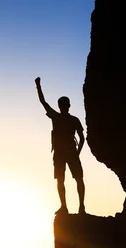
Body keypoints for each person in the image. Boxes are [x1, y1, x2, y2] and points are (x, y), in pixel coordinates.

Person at [35, 77, 86, 215]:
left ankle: (76, 207)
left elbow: (43, 102)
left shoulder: (61, 118)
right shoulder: (66, 118)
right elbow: (82, 139)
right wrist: (77, 152)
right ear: (67, 105)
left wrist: (38, 86)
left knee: (71, 179)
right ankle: (70, 207)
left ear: (62, 106)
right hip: (64, 152)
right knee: (67, 179)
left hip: (66, 152)